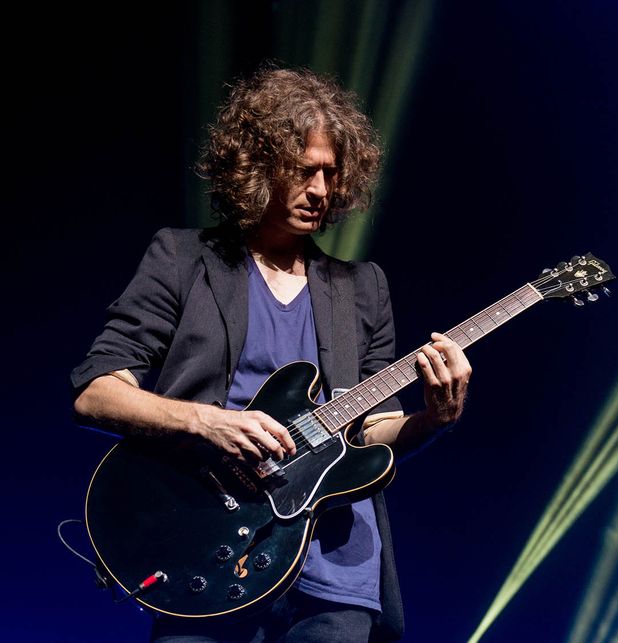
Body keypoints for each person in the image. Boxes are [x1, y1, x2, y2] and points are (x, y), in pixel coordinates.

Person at [71, 66, 471, 642]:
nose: (321, 191)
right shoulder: (182, 259)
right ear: (257, 165)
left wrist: (434, 420)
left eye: (332, 174)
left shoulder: (363, 287)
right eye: (305, 171)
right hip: (204, 549)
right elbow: (94, 390)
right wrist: (205, 420)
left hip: (335, 573)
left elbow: (369, 432)